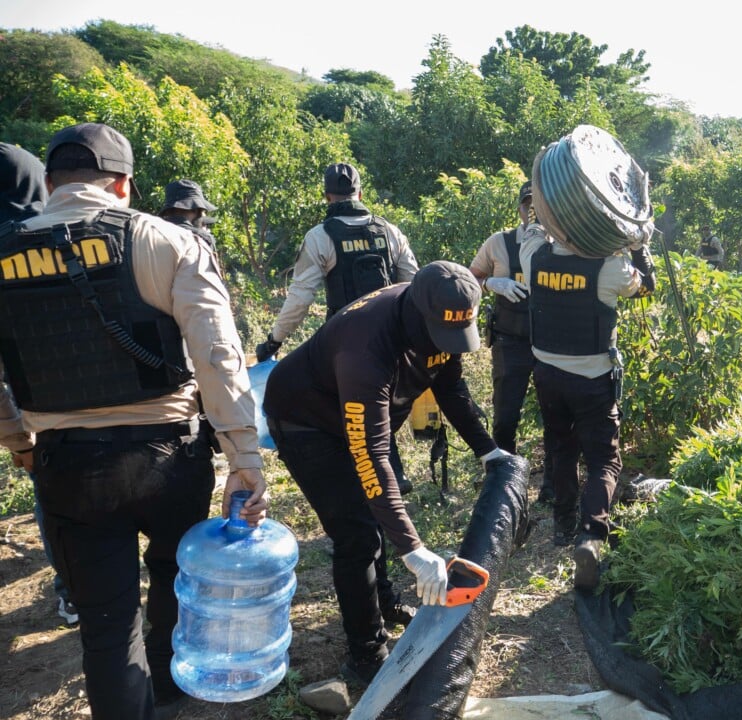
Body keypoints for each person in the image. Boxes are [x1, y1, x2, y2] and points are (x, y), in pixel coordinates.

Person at [0, 123, 268, 720]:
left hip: (67, 468)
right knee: (174, 575)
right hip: (166, 459)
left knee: (104, 628)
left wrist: (17, 440)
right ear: (122, 183)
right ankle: (172, 689)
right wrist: (245, 457)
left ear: (50, 182)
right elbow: (219, 355)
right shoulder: (163, 239)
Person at [263, 262, 505, 683]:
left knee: (378, 514)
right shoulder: (366, 349)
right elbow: (370, 456)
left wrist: (489, 452)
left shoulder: (438, 316)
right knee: (357, 532)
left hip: (356, 419)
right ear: (417, 314)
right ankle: (366, 655)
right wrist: (414, 549)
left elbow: (450, 388)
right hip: (308, 421)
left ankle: (385, 602)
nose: (444, 345)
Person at [256, 161, 419, 495]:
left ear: (326, 195)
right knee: (380, 407)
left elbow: (300, 298)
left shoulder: (320, 237)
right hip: (392, 339)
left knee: (352, 414)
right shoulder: (389, 231)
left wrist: (274, 341)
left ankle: (379, 481)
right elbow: (413, 284)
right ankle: (391, 475)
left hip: (346, 346)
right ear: (360, 192)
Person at [520, 195, 655, 590]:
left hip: (546, 372)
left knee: (561, 449)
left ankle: (562, 526)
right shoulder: (609, 268)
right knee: (603, 462)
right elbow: (647, 287)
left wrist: (536, 212)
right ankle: (592, 536)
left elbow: (530, 230)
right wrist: (638, 245)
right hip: (592, 379)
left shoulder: (533, 257)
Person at [0, 142, 75, 625]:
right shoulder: (79, 238)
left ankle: (73, 590)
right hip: (123, 410)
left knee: (55, 499)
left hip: (39, 416)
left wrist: (17, 440)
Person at [469, 181, 553, 503]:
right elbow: (469, 278)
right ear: (520, 208)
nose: (533, 211)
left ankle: (551, 486)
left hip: (551, 343)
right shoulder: (499, 243)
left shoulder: (561, 243)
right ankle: (503, 482)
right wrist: (493, 282)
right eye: (528, 204)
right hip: (510, 340)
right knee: (506, 415)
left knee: (555, 415)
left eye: (540, 205)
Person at [158, 178, 218, 251]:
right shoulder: (202, 238)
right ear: (195, 209)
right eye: (202, 211)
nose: (203, 216)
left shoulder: (152, 233)